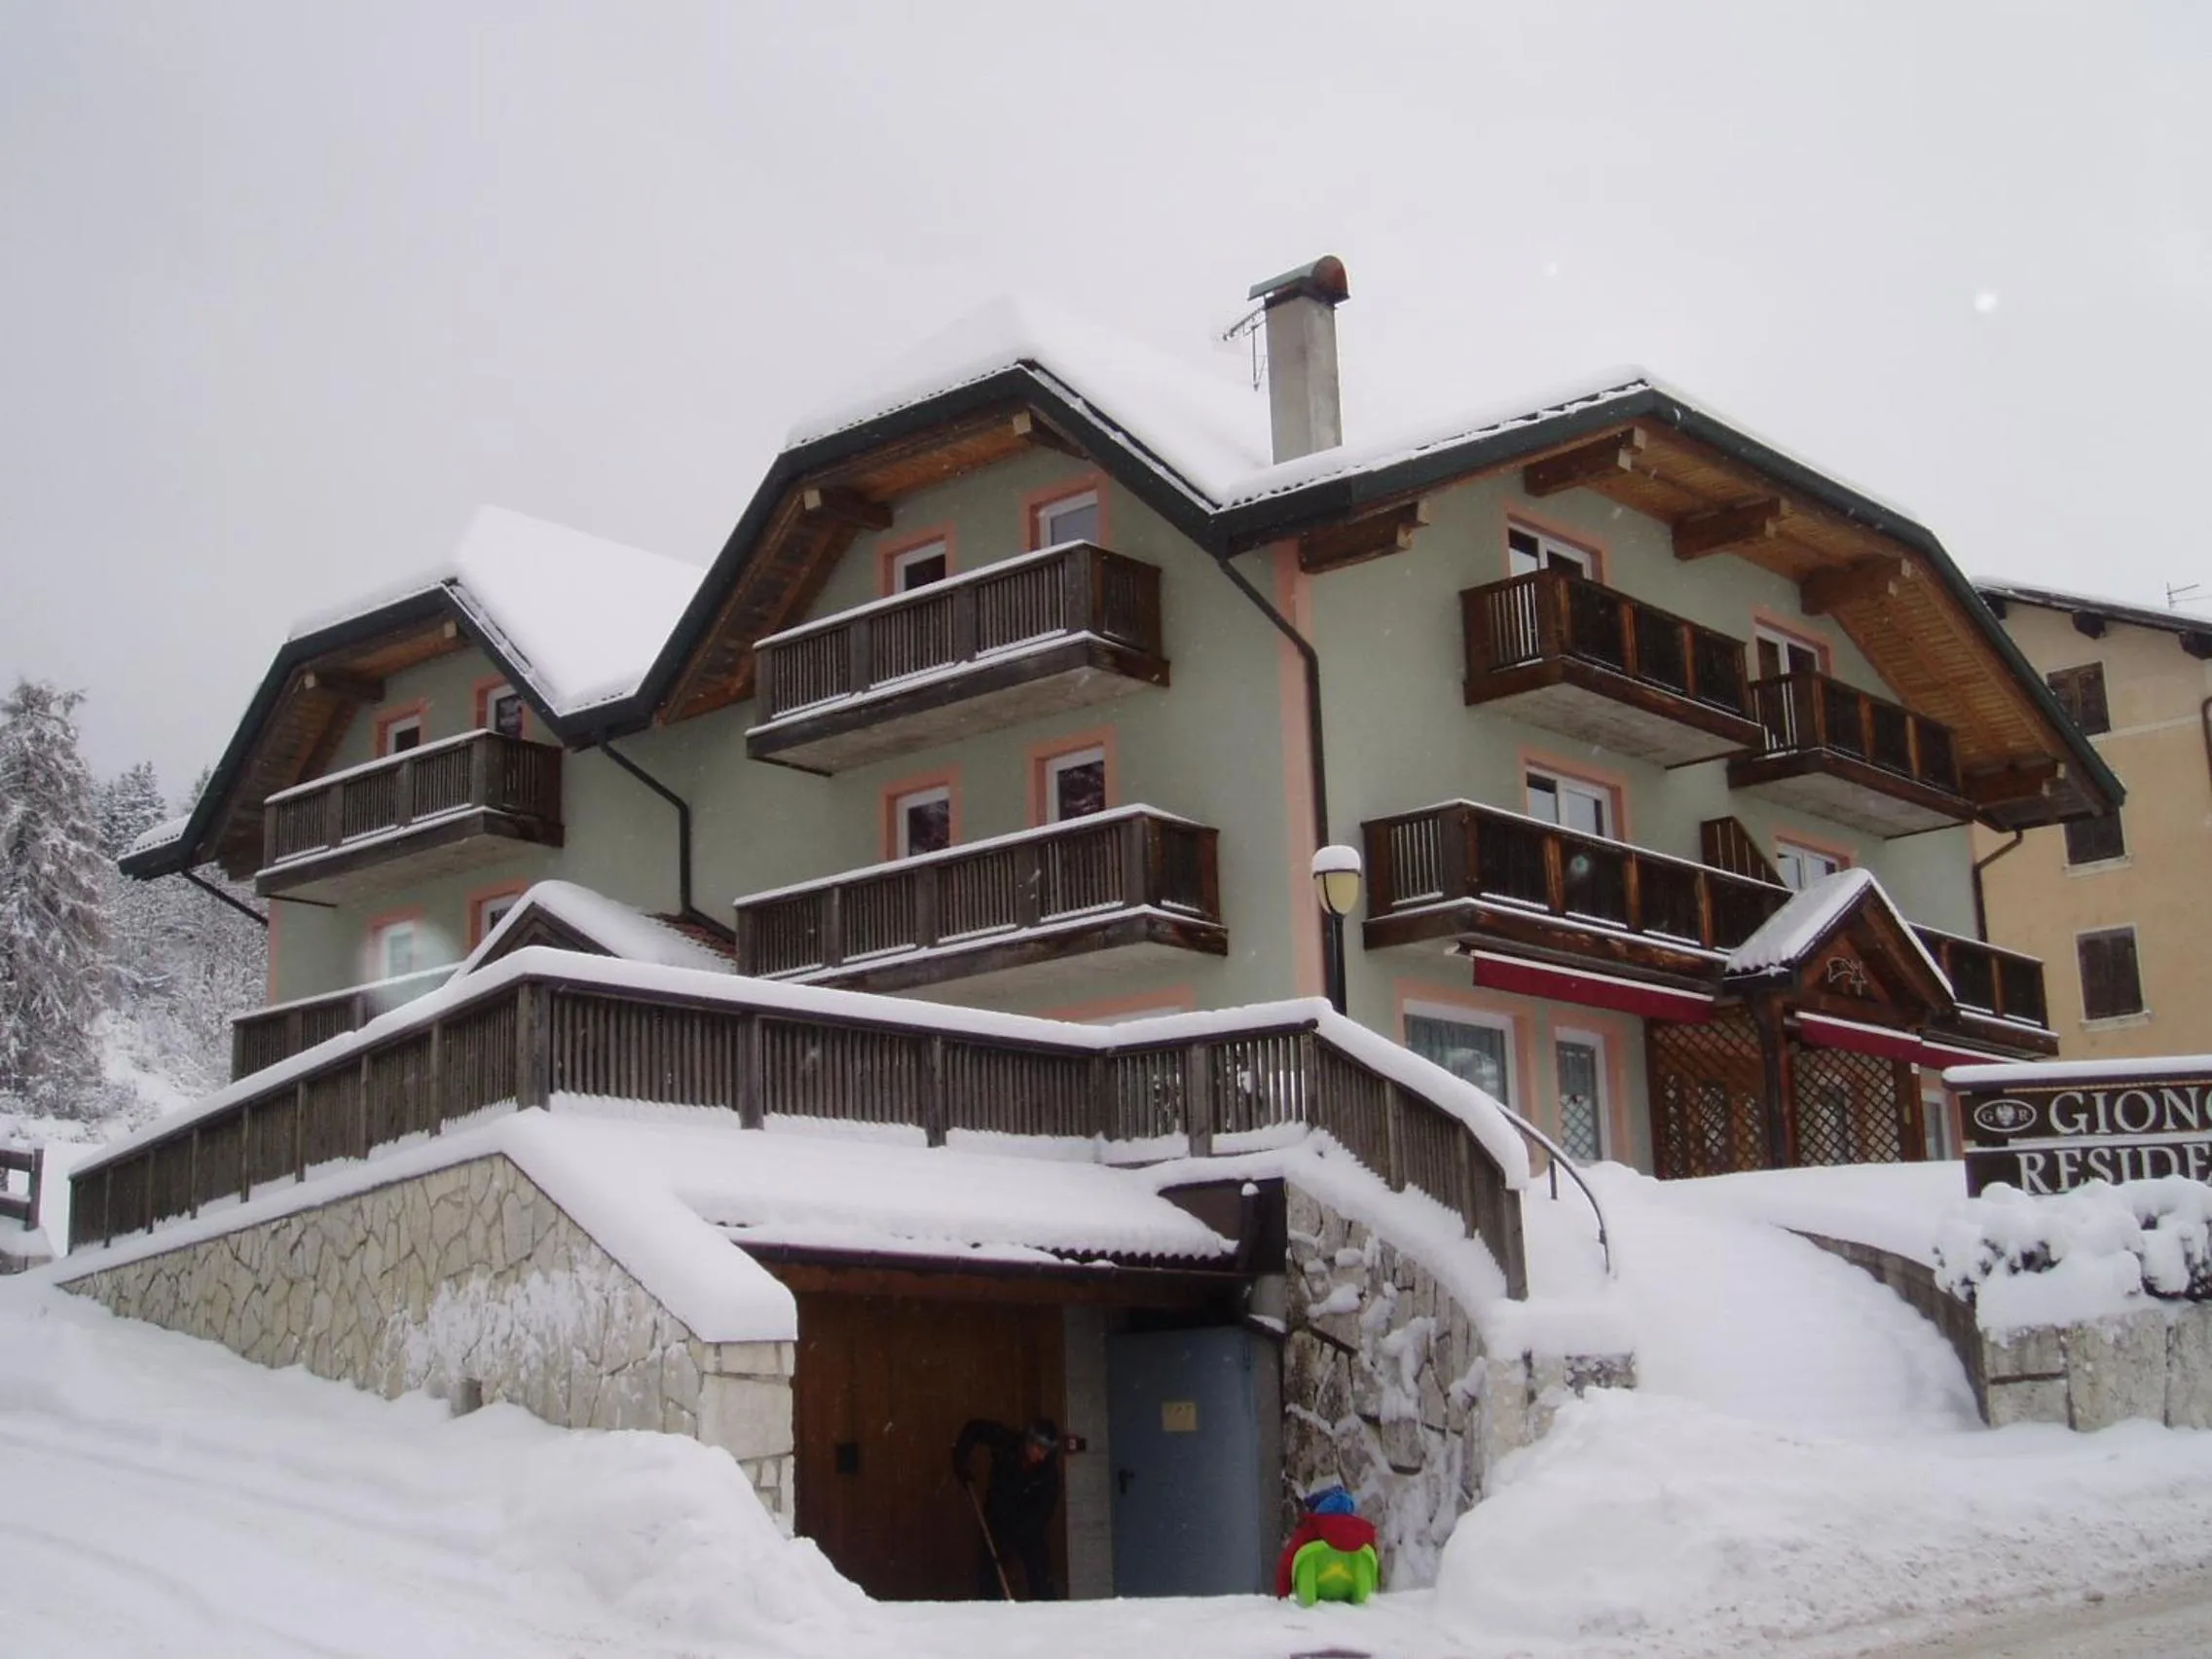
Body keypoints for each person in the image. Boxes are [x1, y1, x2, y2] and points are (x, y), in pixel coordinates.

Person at [952, 1417, 1062, 1601]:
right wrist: (961, 1459)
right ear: (1029, 1441)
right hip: (999, 1515)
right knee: (990, 1573)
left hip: (1029, 1523)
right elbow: (975, 1429)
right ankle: (993, 1616)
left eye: (1047, 1451)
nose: (1042, 1456)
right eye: (1039, 1449)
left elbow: (1044, 1510)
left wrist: (1022, 1532)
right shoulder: (1007, 1443)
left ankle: (1046, 1616)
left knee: (1040, 1573)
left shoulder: (1048, 1473)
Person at [1273, 1484, 1380, 1606]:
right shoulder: (1365, 1529)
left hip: (1315, 1582)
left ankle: (1307, 1602)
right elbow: (1372, 1563)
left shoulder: (1310, 1527)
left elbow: (1288, 1560)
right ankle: (1363, 1600)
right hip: (1353, 1581)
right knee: (1363, 1557)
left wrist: (1283, 1594)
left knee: (1305, 1557)